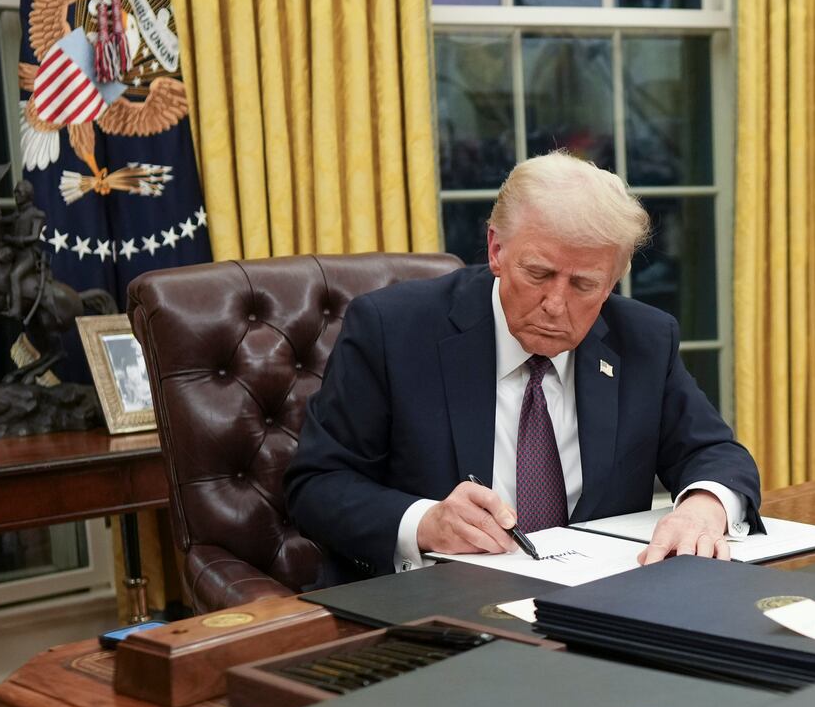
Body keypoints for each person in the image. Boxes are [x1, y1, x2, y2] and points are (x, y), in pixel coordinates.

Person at [285, 151, 763, 586]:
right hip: (431, 606)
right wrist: (425, 523)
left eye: (584, 285)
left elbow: (715, 451)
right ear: (496, 250)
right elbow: (318, 485)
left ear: (613, 280)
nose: (556, 304)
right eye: (538, 274)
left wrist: (703, 509)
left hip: (597, 611)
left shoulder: (643, 339)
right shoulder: (393, 329)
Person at [0, 180, 45, 321]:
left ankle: (16, 310)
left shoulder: (37, 214)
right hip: (14, 251)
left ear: (28, 195)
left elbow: (34, 236)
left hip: (28, 254)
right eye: (15, 192)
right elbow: (0, 220)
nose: (16, 195)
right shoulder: (16, 214)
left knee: (14, 275)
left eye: (19, 192)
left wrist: (14, 239)